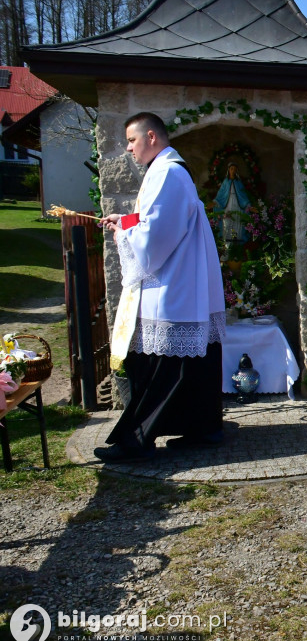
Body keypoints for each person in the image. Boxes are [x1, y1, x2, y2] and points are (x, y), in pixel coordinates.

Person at [95, 112, 226, 462]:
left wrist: (123, 234)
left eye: (132, 140)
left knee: (160, 368)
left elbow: (155, 238)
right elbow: (158, 220)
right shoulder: (166, 170)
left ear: (151, 137)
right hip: (182, 282)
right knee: (190, 365)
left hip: (173, 286)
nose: (128, 148)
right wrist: (125, 221)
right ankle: (203, 429)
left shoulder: (167, 172)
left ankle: (135, 442)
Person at [213, 162, 252, 243]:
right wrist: (216, 201)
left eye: (234, 169)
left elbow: (242, 194)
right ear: (228, 170)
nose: (233, 171)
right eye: (231, 169)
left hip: (237, 203)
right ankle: (227, 239)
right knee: (227, 219)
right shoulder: (226, 182)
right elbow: (221, 193)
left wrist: (247, 204)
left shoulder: (238, 182)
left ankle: (235, 239)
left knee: (236, 219)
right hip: (227, 203)